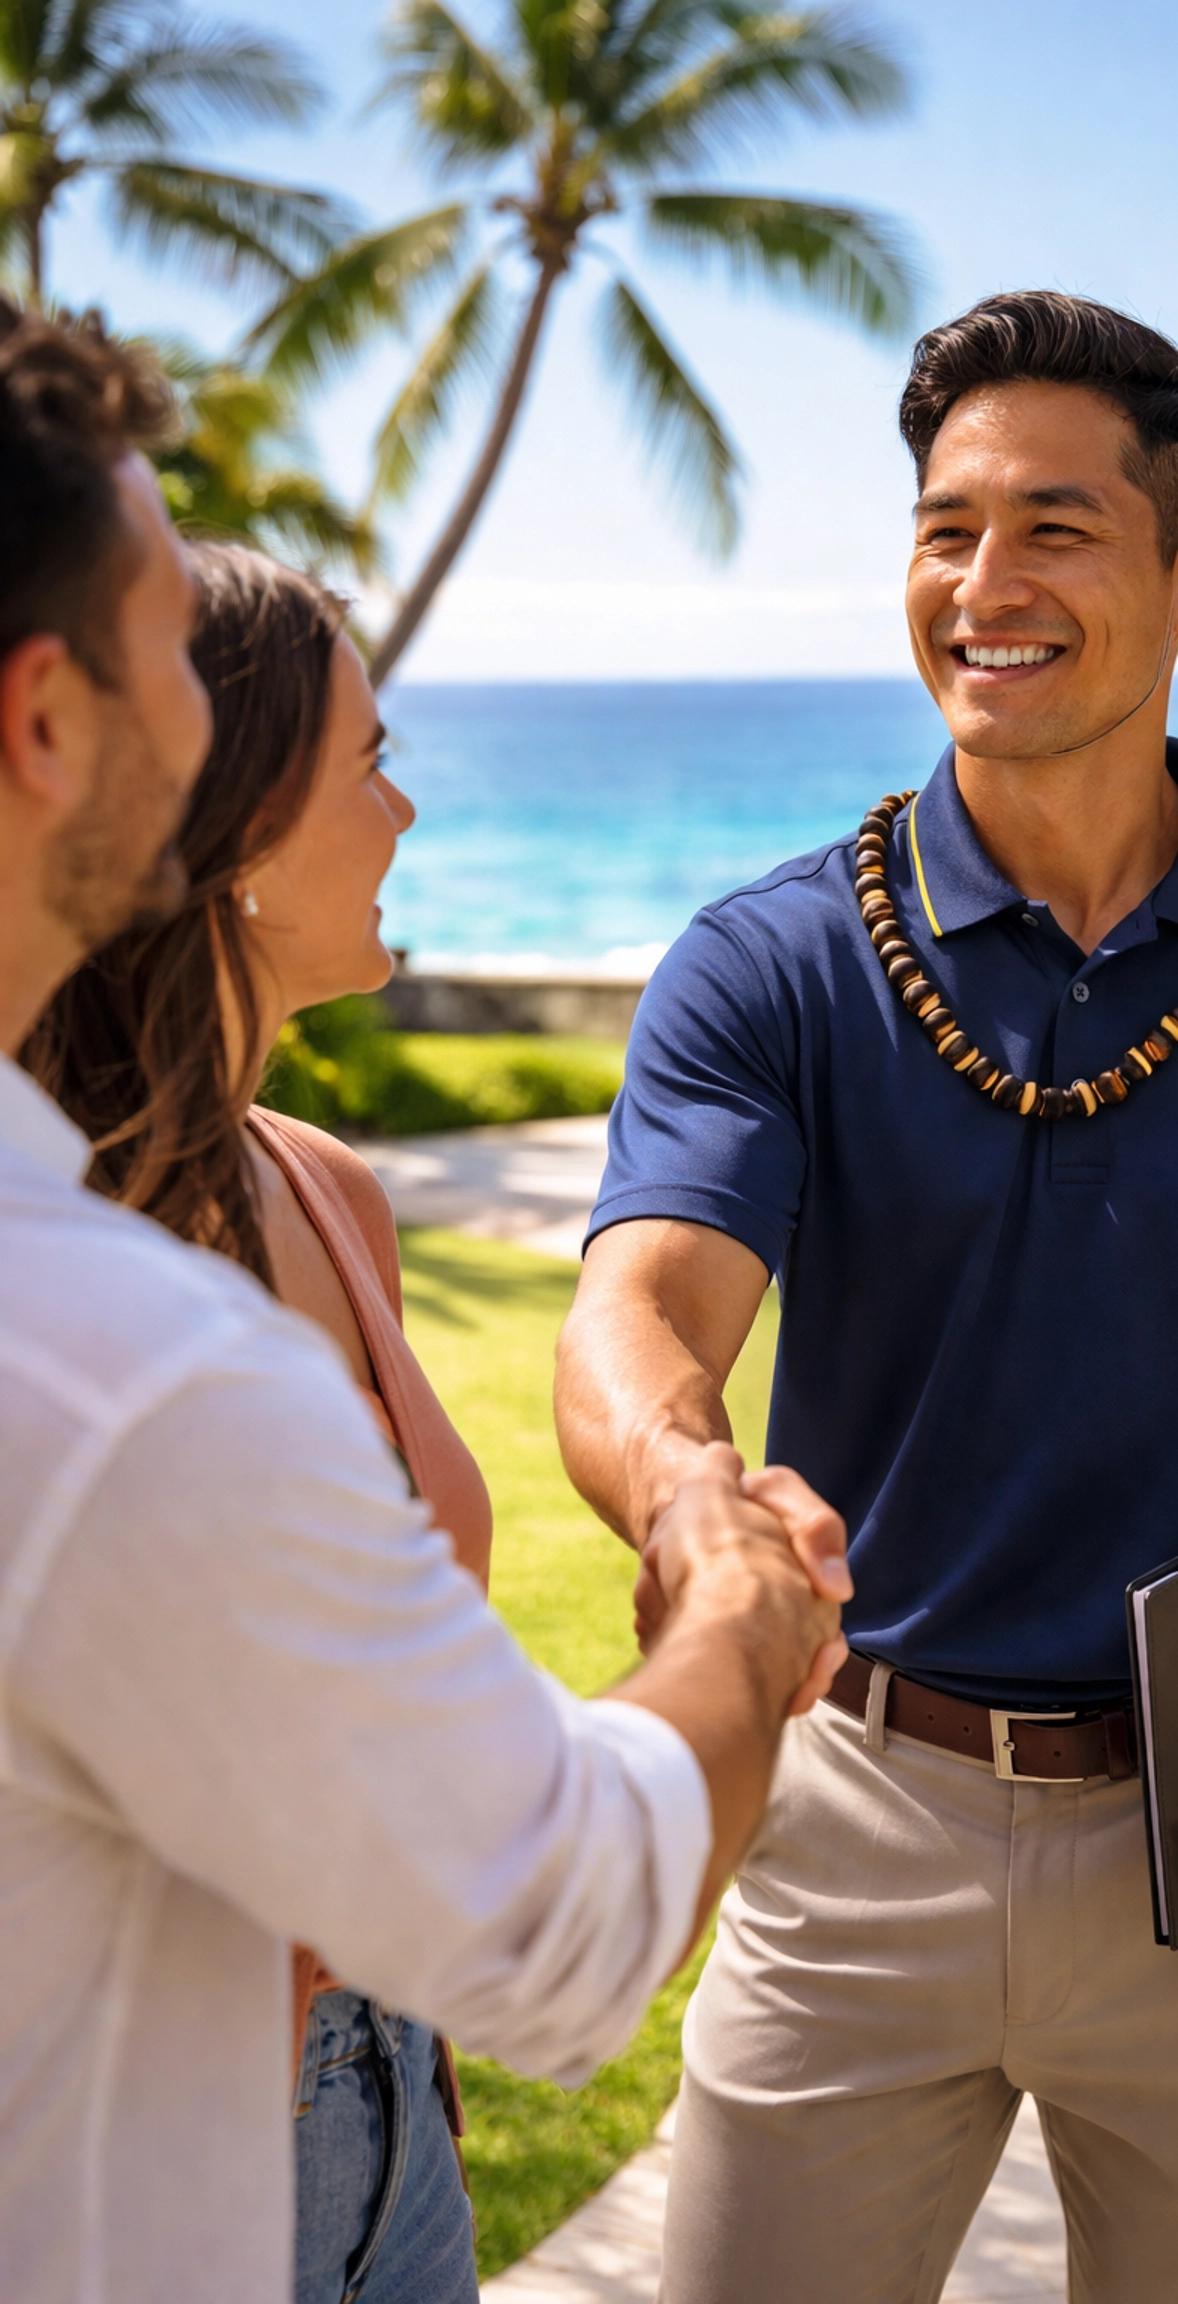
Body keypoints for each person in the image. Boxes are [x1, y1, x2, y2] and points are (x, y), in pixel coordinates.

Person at [555, 290, 1178, 2304]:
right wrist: (684, 1492)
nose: (982, 585)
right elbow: (643, 1306)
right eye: (944, 527)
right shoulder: (773, 967)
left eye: (1054, 530)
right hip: (850, 1820)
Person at [0, 296, 848, 2304]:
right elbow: (560, 1922)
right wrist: (735, 1592)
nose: (195, 718)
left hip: (377, 2086)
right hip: (203, 2156)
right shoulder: (116, 1360)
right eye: (159, 663)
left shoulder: (245, 1244)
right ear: (50, 722)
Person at [25, 539, 487, 2302]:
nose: (406, 813)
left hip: (389, 2094)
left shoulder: (328, 1193)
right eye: (367, 765)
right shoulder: (48, 1247)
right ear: (231, 832)